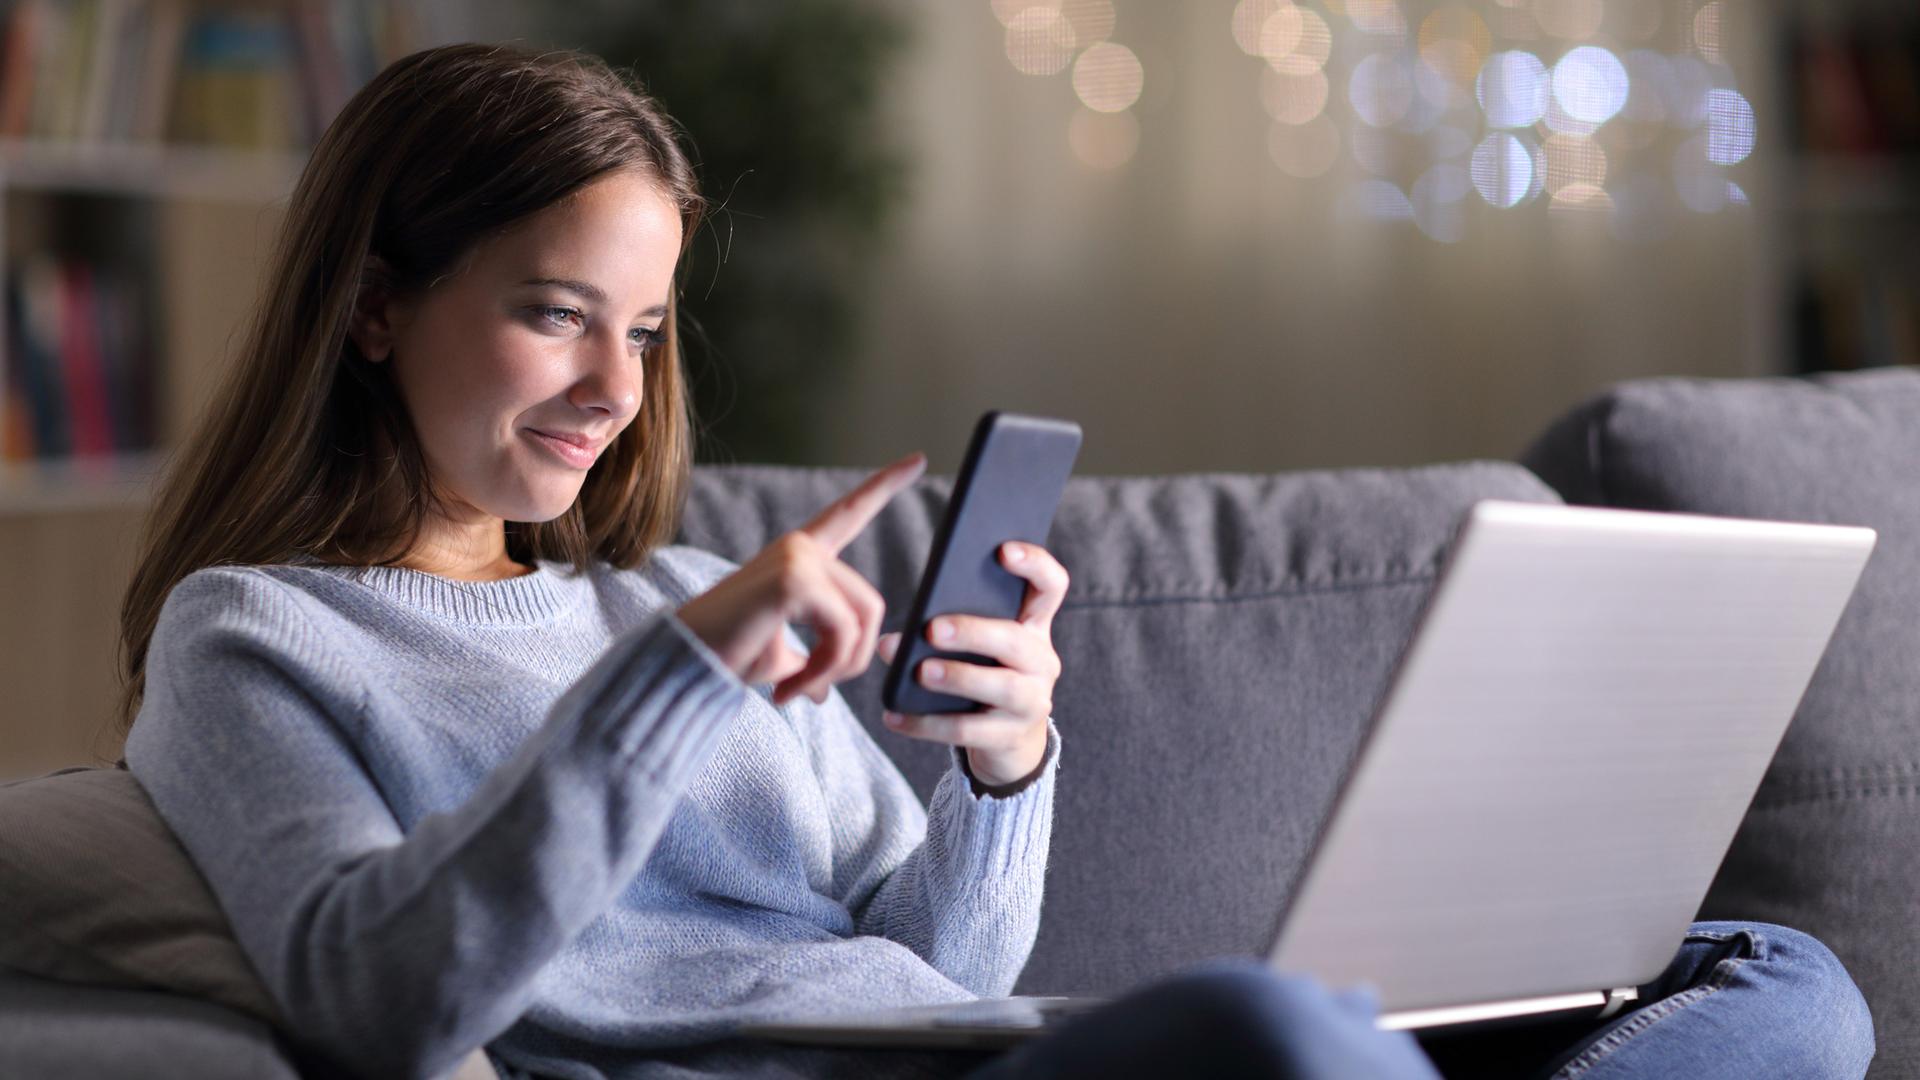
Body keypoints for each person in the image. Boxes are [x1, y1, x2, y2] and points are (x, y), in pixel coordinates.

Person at [116, 42, 1875, 1080]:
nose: (611, 388)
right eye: (554, 316)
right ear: (373, 307)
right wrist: (676, 682)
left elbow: (940, 969)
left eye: (645, 329)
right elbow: (377, 1003)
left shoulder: (660, 592)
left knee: (1777, 978)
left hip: (989, 1049)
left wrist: (1003, 762)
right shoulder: (258, 638)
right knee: (1278, 1040)